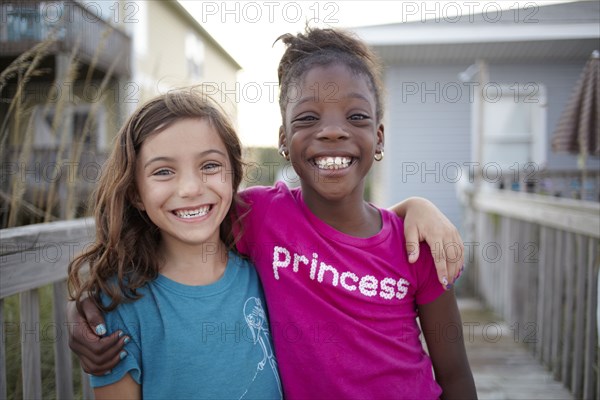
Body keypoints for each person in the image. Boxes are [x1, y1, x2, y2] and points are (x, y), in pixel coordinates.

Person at [68, 27, 472, 398]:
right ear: (284, 138)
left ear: (379, 136)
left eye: (357, 116)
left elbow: (455, 376)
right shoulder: (260, 216)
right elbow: (177, 216)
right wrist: (89, 307)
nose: (333, 131)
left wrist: (418, 206)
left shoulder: (416, 244)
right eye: (309, 118)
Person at [67, 89, 283, 399]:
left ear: (233, 175)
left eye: (209, 165)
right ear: (136, 194)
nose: (191, 188)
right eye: (163, 171)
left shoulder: (268, 273)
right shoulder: (121, 310)